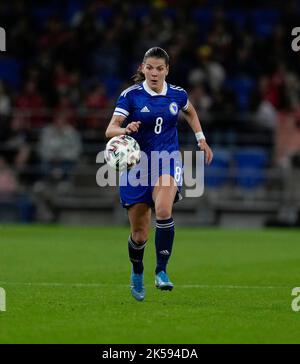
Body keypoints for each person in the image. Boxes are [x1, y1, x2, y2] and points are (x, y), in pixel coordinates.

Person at [105, 47, 213, 301]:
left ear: (167, 70)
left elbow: (190, 111)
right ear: (142, 68)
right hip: (137, 166)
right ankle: (137, 270)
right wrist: (125, 130)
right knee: (139, 235)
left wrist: (201, 138)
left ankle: (161, 271)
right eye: (150, 68)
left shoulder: (177, 94)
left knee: (164, 210)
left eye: (160, 68)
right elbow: (110, 129)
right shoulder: (130, 96)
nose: (154, 73)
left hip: (167, 160)